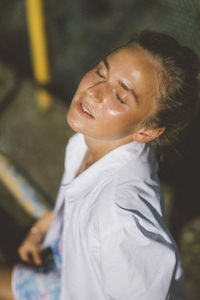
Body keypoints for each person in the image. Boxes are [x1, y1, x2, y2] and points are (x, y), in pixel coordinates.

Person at [0, 30, 199, 300]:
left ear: (147, 132)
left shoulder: (123, 218)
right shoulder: (101, 138)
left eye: (121, 97)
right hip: (70, 261)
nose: (93, 92)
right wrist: (44, 227)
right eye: (101, 71)